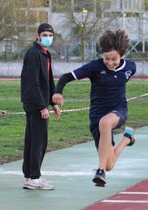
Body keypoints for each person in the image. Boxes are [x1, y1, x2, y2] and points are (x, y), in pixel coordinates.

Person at [52, 28, 136, 187]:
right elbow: (66, 77)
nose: (110, 63)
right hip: (96, 115)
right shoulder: (95, 67)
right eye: (107, 58)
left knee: (105, 123)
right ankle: (127, 139)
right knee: (110, 164)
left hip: (119, 110)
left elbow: (119, 81)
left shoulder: (130, 67)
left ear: (122, 54)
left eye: (114, 59)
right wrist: (58, 92)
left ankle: (99, 171)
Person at [21, 23, 60, 190]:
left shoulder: (46, 54)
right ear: (38, 36)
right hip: (34, 103)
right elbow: (33, 83)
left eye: (50, 35)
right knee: (39, 141)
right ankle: (34, 178)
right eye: (44, 35)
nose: (48, 38)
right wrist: (42, 107)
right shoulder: (33, 54)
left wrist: (53, 103)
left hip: (41, 102)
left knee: (33, 139)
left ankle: (30, 176)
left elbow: (48, 81)